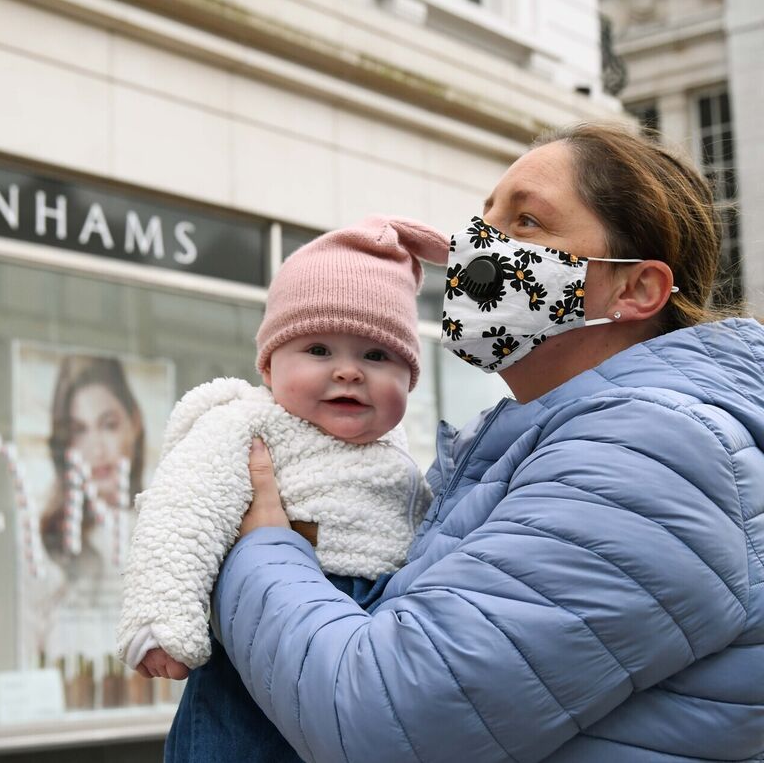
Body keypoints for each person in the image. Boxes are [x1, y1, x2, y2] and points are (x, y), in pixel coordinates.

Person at [210, 123, 764, 761]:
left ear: (634, 289)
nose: (481, 248)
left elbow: (383, 719)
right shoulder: (550, 441)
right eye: (484, 220)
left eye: (526, 222)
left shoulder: (654, 453)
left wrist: (257, 543)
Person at [118, 216, 446, 760]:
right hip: (254, 658)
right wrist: (161, 621)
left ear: (409, 378)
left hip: (365, 654)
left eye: (376, 355)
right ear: (268, 367)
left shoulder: (402, 459)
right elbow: (183, 514)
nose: (348, 372)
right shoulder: (246, 425)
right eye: (318, 350)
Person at [31, 355, 146, 706]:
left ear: (134, 425)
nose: (96, 449)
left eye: (108, 424)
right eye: (79, 430)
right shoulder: (47, 545)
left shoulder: (162, 523)